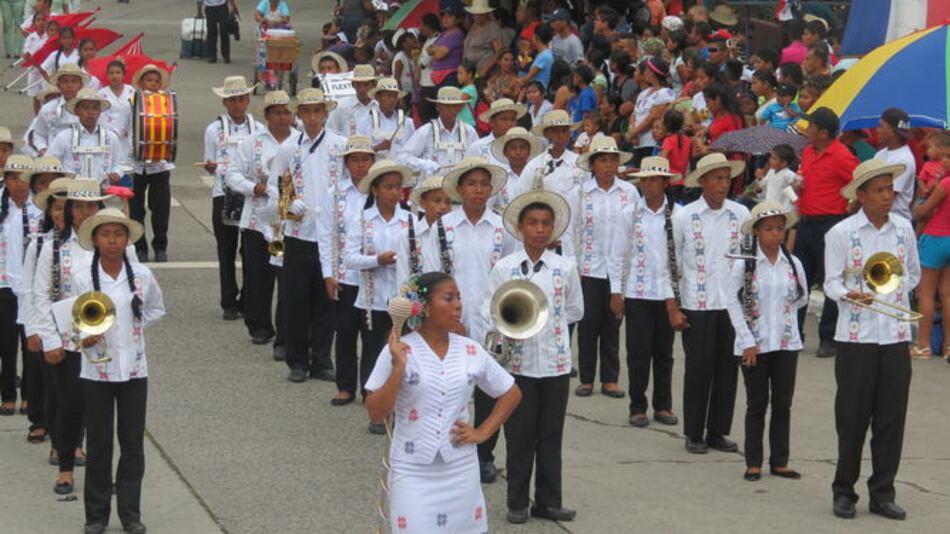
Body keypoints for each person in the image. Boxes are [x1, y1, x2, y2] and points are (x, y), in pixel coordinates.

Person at [365, 271, 521, 534]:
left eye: (458, 298)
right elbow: (375, 412)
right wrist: (397, 370)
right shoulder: (400, 349)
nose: (458, 305)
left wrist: (482, 432)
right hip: (412, 469)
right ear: (424, 307)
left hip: (460, 469)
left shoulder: (470, 350)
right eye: (448, 298)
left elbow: (511, 392)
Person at [824, 159, 920, 521]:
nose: (887, 196)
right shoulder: (840, 233)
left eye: (890, 190)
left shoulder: (903, 229)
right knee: (852, 417)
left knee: (891, 419)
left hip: (894, 337)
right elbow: (831, 282)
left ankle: (882, 493)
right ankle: (843, 490)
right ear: (861, 195)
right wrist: (852, 294)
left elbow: (913, 273)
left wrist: (890, 287)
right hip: (856, 338)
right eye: (879, 190)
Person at [485, 190, 581, 525]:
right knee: (519, 435)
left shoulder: (565, 267)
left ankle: (548, 501)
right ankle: (516, 502)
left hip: (554, 365)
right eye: (533, 223)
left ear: (553, 229)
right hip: (518, 366)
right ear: (521, 227)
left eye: (545, 224)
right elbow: (492, 312)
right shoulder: (505, 267)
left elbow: (574, 310)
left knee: (551, 434)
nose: (539, 229)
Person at [421, 156, 518, 483]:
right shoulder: (443, 228)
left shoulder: (503, 227)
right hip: (453, 322)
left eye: (483, 184)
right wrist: (447, 318)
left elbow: (512, 278)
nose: (478, 190)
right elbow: (432, 275)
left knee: (490, 392)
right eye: (471, 184)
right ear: (460, 189)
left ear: (491, 190)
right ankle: (445, 448)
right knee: (451, 388)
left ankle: (484, 453)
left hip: (492, 322)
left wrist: (503, 320)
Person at [73, 209, 164, 534]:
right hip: (96, 372)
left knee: (132, 443)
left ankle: (130, 513)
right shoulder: (84, 278)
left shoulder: (141, 275)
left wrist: (136, 327)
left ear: (126, 239)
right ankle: (96, 515)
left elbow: (156, 308)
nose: (112, 241)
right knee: (99, 444)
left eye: (118, 234)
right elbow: (71, 320)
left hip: (135, 371)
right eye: (105, 235)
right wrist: (85, 335)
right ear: (96, 240)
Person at [34, 179, 114, 495]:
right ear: (69, 210)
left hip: (106, 342)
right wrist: (50, 340)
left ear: (100, 209)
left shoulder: (113, 244)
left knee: (102, 415)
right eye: (78, 206)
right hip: (69, 341)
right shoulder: (55, 247)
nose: (84, 212)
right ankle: (66, 468)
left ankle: (102, 473)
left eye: (90, 206)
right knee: (69, 407)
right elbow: (41, 295)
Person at [722, 201, 807, 482]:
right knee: (757, 403)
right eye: (769, 229)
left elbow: (801, 297)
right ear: (757, 231)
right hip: (754, 344)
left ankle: (780, 460)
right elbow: (732, 302)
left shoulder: (793, 263)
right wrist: (746, 339)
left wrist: (786, 320)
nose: (776, 234)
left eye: (780, 229)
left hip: (785, 343)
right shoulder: (745, 264)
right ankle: (753, 461)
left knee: (783, 403)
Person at [673, 152, 750, 454]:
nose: (723, 184)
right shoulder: (685, 215)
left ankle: (718, 430)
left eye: (726, 178)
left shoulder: (740, 215)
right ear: (702, 181)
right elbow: (674, 262)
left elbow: (747, 258)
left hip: (730, 305)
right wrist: (674, 305)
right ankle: (694, 431)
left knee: (727, 371)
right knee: (698, 369)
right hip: (697, 301)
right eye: (717, 178)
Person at [274, 88, 345, 383]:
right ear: (299, 115)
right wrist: (290, 205)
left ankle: (321, 359)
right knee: (296, 299)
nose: (313, 117)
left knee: (327, 300)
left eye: (318, 111)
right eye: (307, 112)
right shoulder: (288, 148)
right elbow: (279, 189)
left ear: (326, 114)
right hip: (299, 233)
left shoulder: (340, 146)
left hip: (329, 234)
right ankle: (297, 360)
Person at [608, 157, 680, 428]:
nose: (648, 184)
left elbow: (682, 256)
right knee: (638, 352)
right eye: (645, 180)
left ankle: (663, 405)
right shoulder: (629, 213)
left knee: (664, 353)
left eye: (654, 179)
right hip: (637, 292)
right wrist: (616, 291)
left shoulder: (678, 215)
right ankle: (637, 405)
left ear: (664, 183)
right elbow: (617, 254)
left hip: (666, 294)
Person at [343, 159, 414, 433]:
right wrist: (377, 260)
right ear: (376, 190)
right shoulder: (361, 220)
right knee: (374, 352)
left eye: (398, 187)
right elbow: (349, 258)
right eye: (389, 187)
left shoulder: (409, 219)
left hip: (402, 299)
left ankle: (400, 406)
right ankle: (375, 406)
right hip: (373, 299)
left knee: (403, 351)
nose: (395, 193)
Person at [574, 135, 641, 400]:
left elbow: (636, 231)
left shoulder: (629, 193)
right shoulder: (580, 193)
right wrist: (573, 267)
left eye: (613, 160)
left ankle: (610, 378)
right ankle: (587, 378)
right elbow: (573, 231)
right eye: (603, 160)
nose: (609, 165)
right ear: (593, 164)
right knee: (588, 324)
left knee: (613, 323)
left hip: (619, 268)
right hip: (589, 268)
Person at [226, 90, 295, 347]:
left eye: (286, 112)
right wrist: (255, 188)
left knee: (285, 274)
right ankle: (259, 326)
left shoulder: (300, 141)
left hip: (287, 221)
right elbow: (232, 175)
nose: (282, 117)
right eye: (276, 113)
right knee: (257, 275)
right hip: (257, 219)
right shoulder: (251, 142)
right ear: (267, 116)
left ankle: (287, 329)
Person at [794, 107, 859, 358]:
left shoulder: (842, 156)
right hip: (806, 221)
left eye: (811, 127)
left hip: (830, 223)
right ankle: (794, 334)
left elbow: (858, 184)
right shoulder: (808, 152)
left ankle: (828, 337)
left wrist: (850, 208)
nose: (807, 130)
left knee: (830, 281)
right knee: (800, 280)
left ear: (823, 132)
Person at [318, 135, 373, 406]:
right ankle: (345, 385)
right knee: (346, 331)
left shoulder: (380, 192)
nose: (360, 165)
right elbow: (326, 234)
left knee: (372, 335)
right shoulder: (335, 193)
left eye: (365, 160)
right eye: (355, 160)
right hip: (345, 275)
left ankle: (371, 387)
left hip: (374, 276)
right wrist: (328, 273)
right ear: (347, 164)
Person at [17, 173, 70, 448]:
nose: (61, 213)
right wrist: (31, 328)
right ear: (49, 210)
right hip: (45, 319)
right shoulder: (40, 243)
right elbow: (29, 289)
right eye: (56, 207)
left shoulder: (85, 242)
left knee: (73, 389)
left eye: (66, 207)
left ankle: (70, 440)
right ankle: (41, 422)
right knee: (47, 382)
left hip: (74, 322)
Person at [203, 76, 261, 322]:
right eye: (232, 100)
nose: (237, 104)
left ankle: (249, 298)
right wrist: (211, 167)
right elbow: (209, 162)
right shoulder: (214, 129)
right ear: (225, 102)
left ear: (247, 100)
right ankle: (228, 300)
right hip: (223, 193)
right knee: (225, 249)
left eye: (241, 99)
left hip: (250, 193)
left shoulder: (257, 128)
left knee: (250, 249)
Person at [0, 155, 38, 416]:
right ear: (6, 180)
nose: (20, 185)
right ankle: (8, 394)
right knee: (6, 343)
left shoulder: (39, 209)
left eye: (25, 179)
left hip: (31, 285)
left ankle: (30, 395)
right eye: (14, 178)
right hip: (3, 283)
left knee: (31, 342)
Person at [129, 65, 175, 263]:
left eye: (157, 81)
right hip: (136, 164)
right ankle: (140, 247)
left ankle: (160, 246)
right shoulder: (132, 101)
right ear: (141, 83)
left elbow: (171, 125)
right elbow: (125, 128)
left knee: (161, 208)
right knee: (136, 209)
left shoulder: (166, 101)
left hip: (160, 163)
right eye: (149, 81)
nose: (153, 84)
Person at [913, 143, 950, 359]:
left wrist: (920, 204)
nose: (943, 161)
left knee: (925, 292)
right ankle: (948, 347)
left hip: (936, 237)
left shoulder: (945, 183)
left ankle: (924, 346)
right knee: (947, 294)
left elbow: (922, 212)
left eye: (947, 157)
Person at [47, 88, 122, 185]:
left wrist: (116, 173)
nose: (90, 112)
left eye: (95, 108)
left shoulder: (111, 137)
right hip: (71, 192)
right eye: (85, 108)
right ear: (76, 111)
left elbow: (118, 163)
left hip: (102, 191)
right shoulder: (64, 137)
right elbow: (50, 162)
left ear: (100, 111)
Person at [399, 86, 478, 176]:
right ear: (438, 107)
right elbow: (402, 158)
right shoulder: (426, 131)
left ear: (459, 108)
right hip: (431, 186)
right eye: (447, 106)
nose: (450, 110)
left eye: (454, 106)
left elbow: (479, 158)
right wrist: (425, 165)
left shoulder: (469, 132)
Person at [395, 175, 452, 286]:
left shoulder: (454, 233)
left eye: (448, 202)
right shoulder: (407, 235)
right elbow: (403, 276)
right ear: (423, 203)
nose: (443, 207)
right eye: (437, 201)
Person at [27, 63, 85, 155]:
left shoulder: (91, 109)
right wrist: (43, 150)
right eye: (65, 82)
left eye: (73, 81)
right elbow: (38, 134)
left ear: (81, 85)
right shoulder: (48, 109)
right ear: (58, 85)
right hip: (54, 159)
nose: (69, 85)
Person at [628, 57, 675, 165]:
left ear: (652, 73)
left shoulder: (665, 93)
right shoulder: (644, 93)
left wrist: (634, 132)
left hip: (651, 143)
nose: (644, 72)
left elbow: (653, 117)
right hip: (638, 143)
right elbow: (634, 115)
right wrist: (632, 130)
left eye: (646, 70)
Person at [355, 76, 414, 162]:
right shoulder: (366, 122)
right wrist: (379, 147)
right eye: (388, 96)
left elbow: (414, 150)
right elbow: (359, 152)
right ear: (378, 97)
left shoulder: (408, 123)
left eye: (394, 96)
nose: (392, 100)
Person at [875, 108, 917, 223]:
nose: (876, 130)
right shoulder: (880, 154)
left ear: (892, 131)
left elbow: (887, 195)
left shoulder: (904, 160)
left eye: (881, 126)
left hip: (895, 223)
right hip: (878, 220)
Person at [488, 126, 543, 212]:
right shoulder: (499, 178)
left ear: (529, 151)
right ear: (505, 152)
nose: (518, 152)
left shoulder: (538, 175)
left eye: (523, 148)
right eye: (513, 148)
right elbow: (489, 206)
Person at [98, 61, 135, 174]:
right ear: (107, 75)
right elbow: (99, 117)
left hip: (128, 135)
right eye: (111, 73)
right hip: (108, 135)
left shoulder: (132, 92)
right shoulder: (101, 94)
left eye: (118, 72)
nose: (114, 76)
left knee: (127, 170)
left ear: (123, 75)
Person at [465, 97, 527, 164]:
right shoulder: (478, 148)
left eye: (512, 119)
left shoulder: (524, 147)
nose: (509, 124)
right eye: (504, 119)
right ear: (492, 122)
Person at [327, 64, 378, 137]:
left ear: (374, 85)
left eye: (366, 84)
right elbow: (330, 131)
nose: (362, 89)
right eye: (358, 85)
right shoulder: (341, 106)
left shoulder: (380, 107)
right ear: (353, 85)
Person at [463, 0, 506, 77]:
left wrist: (486, 68)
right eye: (476, 14)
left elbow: (500, 51)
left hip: (485, 71)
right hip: (471, 70)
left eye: (480, 14)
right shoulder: (474, 26)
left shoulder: (492, 28)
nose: (477, 16)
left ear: (486, 14)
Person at [427, 5, 464, 90]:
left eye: (449, 16)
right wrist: (436, 50)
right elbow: (428, 49)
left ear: (458, 20)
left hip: (450, 76)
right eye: (444, 16)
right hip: (438, 77)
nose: (445, 19)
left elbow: (439, 55)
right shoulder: (443, 34)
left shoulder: (457, 34)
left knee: (448, 101)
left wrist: (435, 50)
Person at [519, 22, 554, 90]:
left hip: (538, 91)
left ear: (536, 37)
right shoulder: (544, 54)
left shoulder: (543, 56)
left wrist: (514, 83)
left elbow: (528, 78)